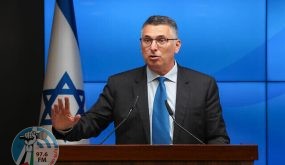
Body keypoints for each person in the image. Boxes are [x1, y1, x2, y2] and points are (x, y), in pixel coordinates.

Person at [51, 15, 230, 144]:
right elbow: (92, 124)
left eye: (161, 40)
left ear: (177, 46)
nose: (153, 47)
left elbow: (218, 137)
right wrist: (65, 127)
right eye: (147, 40)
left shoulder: (203, 85)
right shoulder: (119, 85)